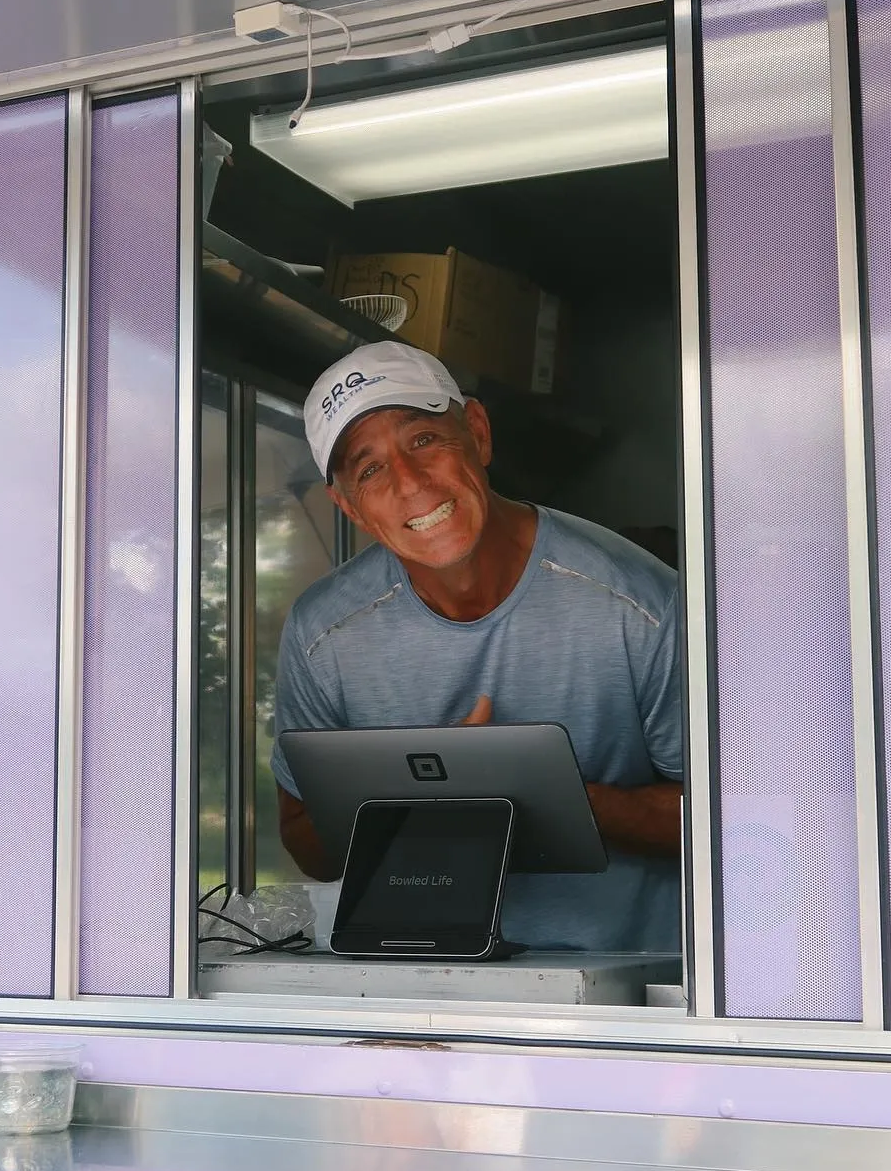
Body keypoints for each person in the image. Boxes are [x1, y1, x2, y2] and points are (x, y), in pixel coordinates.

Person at [270, 340, 683, 954]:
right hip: (423, 992)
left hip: (626, 996)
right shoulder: (321, 633)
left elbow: (732, 823)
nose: (409, 483)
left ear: (479, 434)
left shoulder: (642, 602)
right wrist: (422, 802)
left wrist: (538, 795)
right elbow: (305, 842)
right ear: (348, 506)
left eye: (423, 441)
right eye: (370, 468)